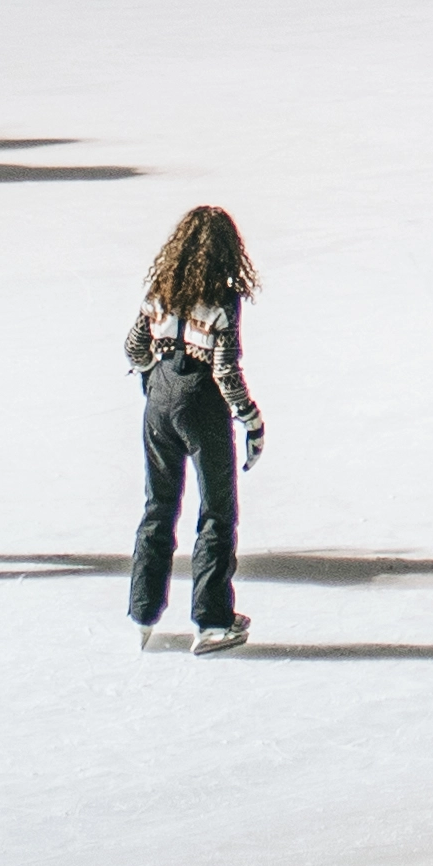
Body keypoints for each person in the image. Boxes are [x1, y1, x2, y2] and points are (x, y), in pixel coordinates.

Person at [124, 205, 264, 653]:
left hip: (159, 401)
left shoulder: (160, 290)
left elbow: (133, 346)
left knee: (158, 507)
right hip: (202, 406)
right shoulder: (222, 300)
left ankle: (143, 612)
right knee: (217, 513)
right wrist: (251, 419)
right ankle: (212, 620)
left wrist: (153, 378)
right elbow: (225, 372)